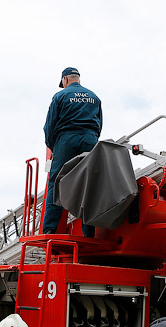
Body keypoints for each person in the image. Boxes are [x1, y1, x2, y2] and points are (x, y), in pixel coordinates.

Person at [42, 67, 102, 237]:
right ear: (78, 79)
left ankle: (50, 229)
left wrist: (54, 147)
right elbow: (100, 124)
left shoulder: (60, 96)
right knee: (89, 183)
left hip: (66, 140)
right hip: (89, 139)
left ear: (65, 79)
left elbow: (49, 126)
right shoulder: (94, 97)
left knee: (56, 182)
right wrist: (91, 138)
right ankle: (89, 231)